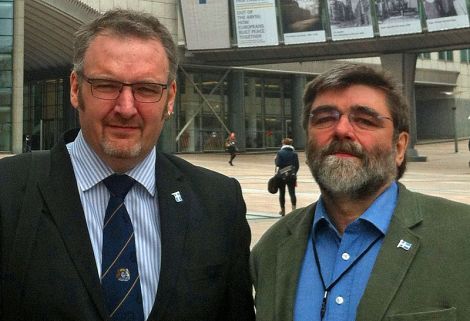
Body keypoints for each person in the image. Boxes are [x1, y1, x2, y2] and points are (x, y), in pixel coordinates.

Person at [0, 9, 255, 321]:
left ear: (170, 97)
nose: (125, 108)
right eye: (107, 86)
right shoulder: (8, 191)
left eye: (146, 89)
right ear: (75, 88)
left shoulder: (219, 202)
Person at [250, 63, 470, 321]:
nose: (341, 130)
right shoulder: (271, 249)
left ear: (399, 148)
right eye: (324, 119)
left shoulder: (462, 235)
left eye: (365, 120)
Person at [275, 138, 299, 216]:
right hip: (291, 175)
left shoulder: (280, 152)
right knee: (292, 193)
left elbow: (278, 164)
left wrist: (275, 160)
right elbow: (297, 165)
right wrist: (293, 172)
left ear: (283, 144)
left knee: (282, 193)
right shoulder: (294, 153)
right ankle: (294, 210)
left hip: (281, 175)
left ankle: (283, 211)